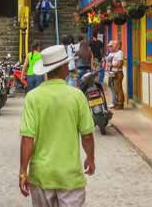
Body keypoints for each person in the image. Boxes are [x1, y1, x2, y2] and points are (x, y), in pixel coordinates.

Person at [19, 45, 95, 207]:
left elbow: (27, 138)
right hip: (70, 177)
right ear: (64, 69)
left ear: (46, 70)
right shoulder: (77, 96)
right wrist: (90, 158)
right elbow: (87, 135)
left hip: (41, 176)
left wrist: (23, 171)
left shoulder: (32, 97)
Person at [105, 40, 125, 109]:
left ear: (119, 46)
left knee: (118, 89)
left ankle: (120, 104)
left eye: (115, 45)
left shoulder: (120, 53)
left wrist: (111, 65)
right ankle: (117, 103)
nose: (114, 46)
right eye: (114, 44)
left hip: (118, 73)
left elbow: (120, 64)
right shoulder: (115, 53)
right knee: (116, 89)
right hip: (114, 73)